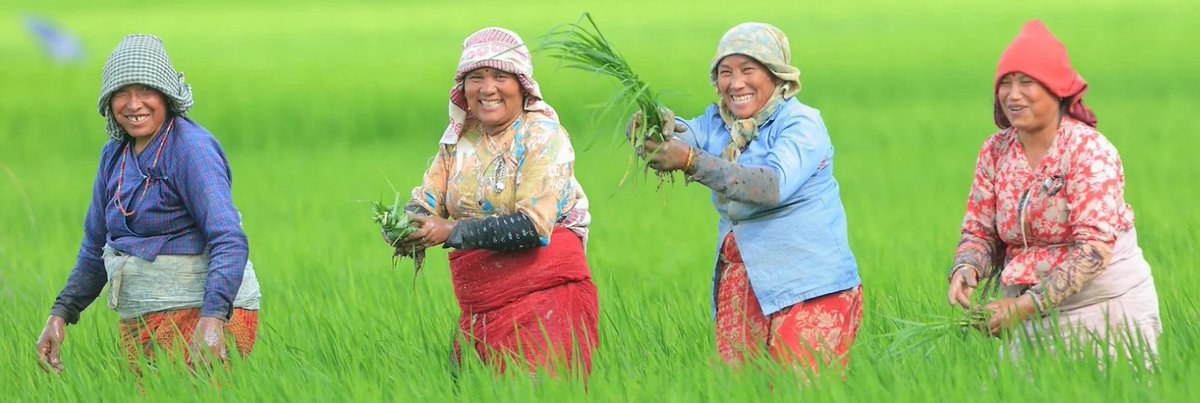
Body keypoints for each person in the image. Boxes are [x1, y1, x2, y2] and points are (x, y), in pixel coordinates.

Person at [639, 22, 862, 372]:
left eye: (748, 70)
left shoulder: (801, 124)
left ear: (776, 75)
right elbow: (681, 133)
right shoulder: (717, 124)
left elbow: (770, 187)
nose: (735, 83)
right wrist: (649, 125)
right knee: (743, 392)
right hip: (742, 288)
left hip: (809, 288)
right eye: (725, 72)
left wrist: (690, 161)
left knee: (803, 393)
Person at [35, 34, 261, 372]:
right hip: (142, 319)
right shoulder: (114, 155)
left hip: (206, 315)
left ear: (166, 94)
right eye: (121, 92)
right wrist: (61, 313)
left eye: (145, 90)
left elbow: (227, 238)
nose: (133, 104)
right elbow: (96, 246)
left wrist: (213, 318)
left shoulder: (191, 149)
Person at [389, 27, 598, 377]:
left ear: (522, 84)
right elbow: (426, 201)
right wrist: (404, 228)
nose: (487, 88)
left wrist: (449, 230)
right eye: (476, 77)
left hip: (546, 295)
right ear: (463, 88)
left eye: (500, 76)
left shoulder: (542, 136)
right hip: (480, 307)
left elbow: (533, 226)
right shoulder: (459, 141)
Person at [946, 20, 1161, 356]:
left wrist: (1025, 307)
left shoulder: (1088, 151)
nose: (1013, 94)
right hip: (1024, 310)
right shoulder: (995, 152)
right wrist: (966, 267)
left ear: (1056, 88)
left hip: (1105, 306)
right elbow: (979, 230)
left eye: (1026, 82)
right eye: (1005, 83)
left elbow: (1093, 250)